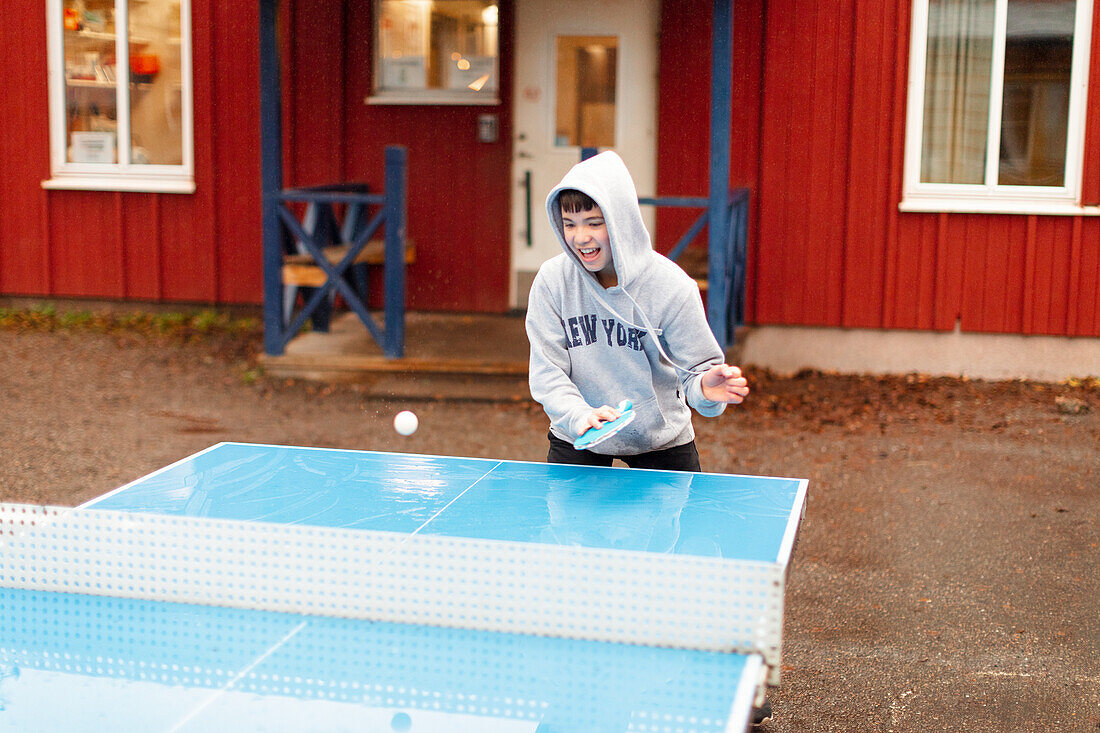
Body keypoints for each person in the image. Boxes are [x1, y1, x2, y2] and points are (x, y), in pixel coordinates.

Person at [525, 150, 750, 472]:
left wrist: (705, 389)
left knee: (676, 522)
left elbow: (698, 376)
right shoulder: (552, 281)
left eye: (594, 223)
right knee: (570, 524)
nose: (580, 237)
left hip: (659, 439)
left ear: (620, 221)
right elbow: (548, 371)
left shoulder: (671, 286)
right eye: (569, 224)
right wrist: (578, 415)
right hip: (578, 431)